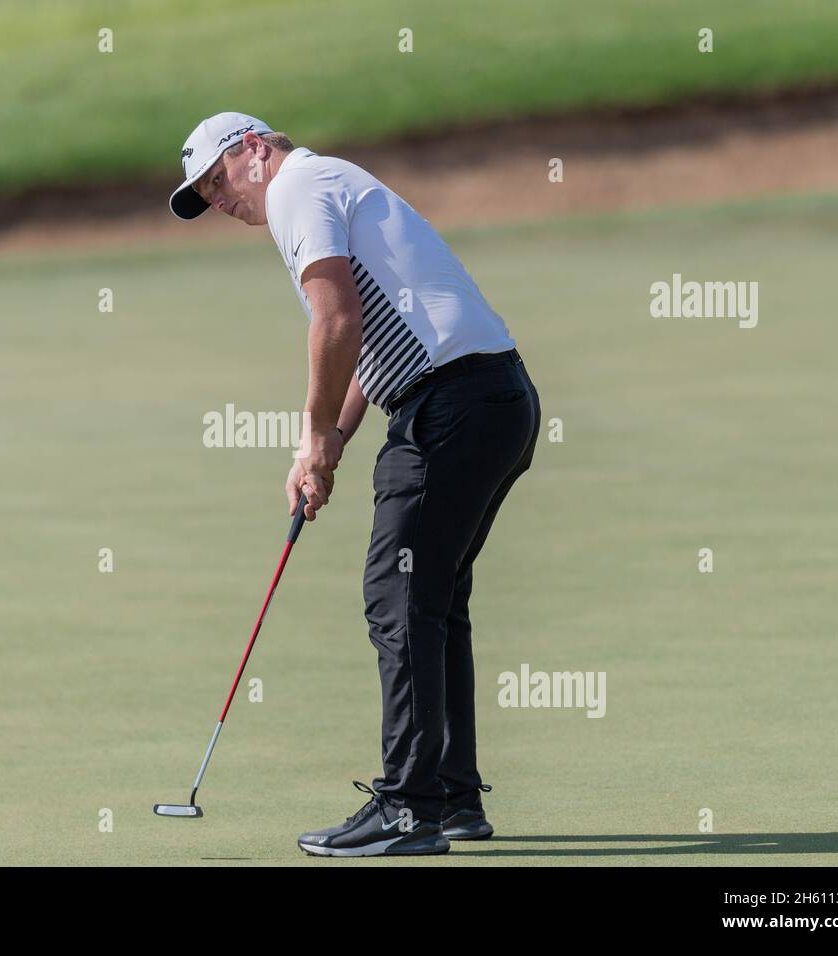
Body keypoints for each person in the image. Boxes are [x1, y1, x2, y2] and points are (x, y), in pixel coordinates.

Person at [169, 112, 541, 857]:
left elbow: (334, 318)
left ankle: (409, 808)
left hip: (453, 406)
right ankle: (452, 797)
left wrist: (309, 439)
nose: (219, 199)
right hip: (493, 398)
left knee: (398, 596)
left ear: (253, 150)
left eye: (218, 179)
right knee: (432, 600)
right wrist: (333, 437)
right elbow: (370, 327)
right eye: (204, 194)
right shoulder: (327, 184)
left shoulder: (297, 185)